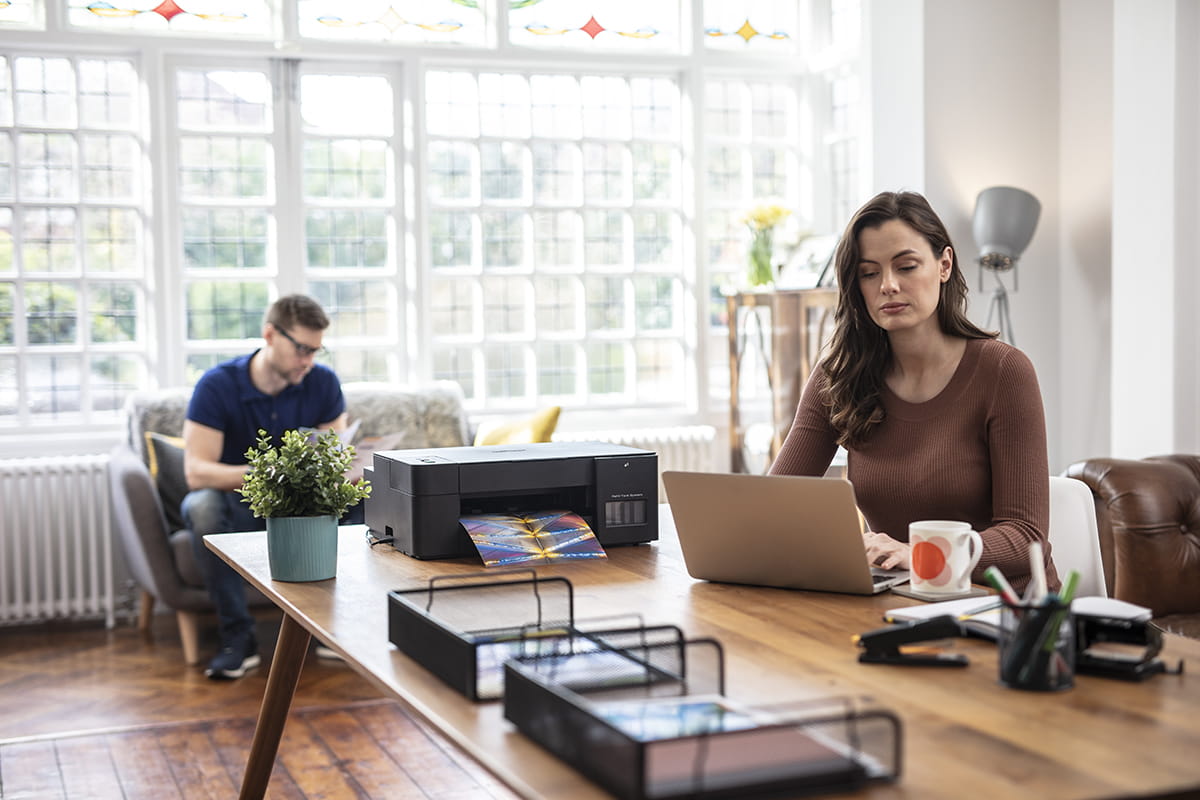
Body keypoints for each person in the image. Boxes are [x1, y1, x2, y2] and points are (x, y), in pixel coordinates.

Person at [769, 191, 1059, 596]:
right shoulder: (837, 377)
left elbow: (1025, 536)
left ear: (944, 265)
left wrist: (921, 551)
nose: (888, 285)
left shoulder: (1004, 372)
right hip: (900, 601)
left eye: (906, 266)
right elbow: (775, 506)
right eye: (869, 273)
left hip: (1004, 610)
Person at [182, 294, 352, 679]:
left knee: (358, 501)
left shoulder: (322, 383)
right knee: (200, 506)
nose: (309, 361)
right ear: (270, 334)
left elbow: (336, 463)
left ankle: (330, 630)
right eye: (302, 349)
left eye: (316, 351)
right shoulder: (216, 385)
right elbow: (197, 472)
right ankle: (237, 639)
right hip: (239, 507)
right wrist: (277, 472)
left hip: (303, 508)